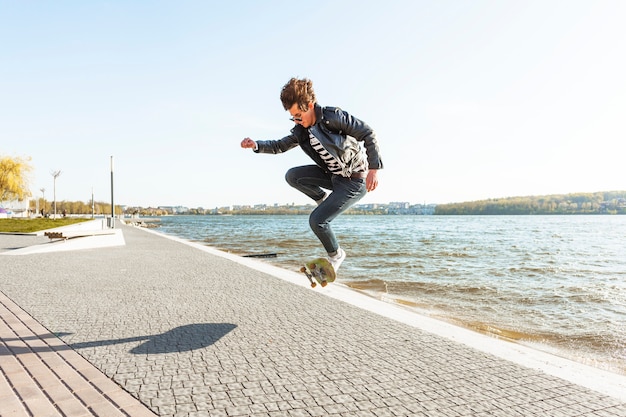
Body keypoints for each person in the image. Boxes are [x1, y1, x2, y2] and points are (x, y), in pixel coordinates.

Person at [241, 77, 383, 272]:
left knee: (317, 220)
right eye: (293, 117)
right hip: (334, 177)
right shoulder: (302, 131)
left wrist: (373, 169)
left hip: (354, 181)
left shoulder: (333, 117)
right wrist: (256, 145)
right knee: (292, 176)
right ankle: (322, 199)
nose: (297, 121)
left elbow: (368, 133)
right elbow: (280, 146)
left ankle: (336, 255)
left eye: (299, 115)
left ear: (309, 105)